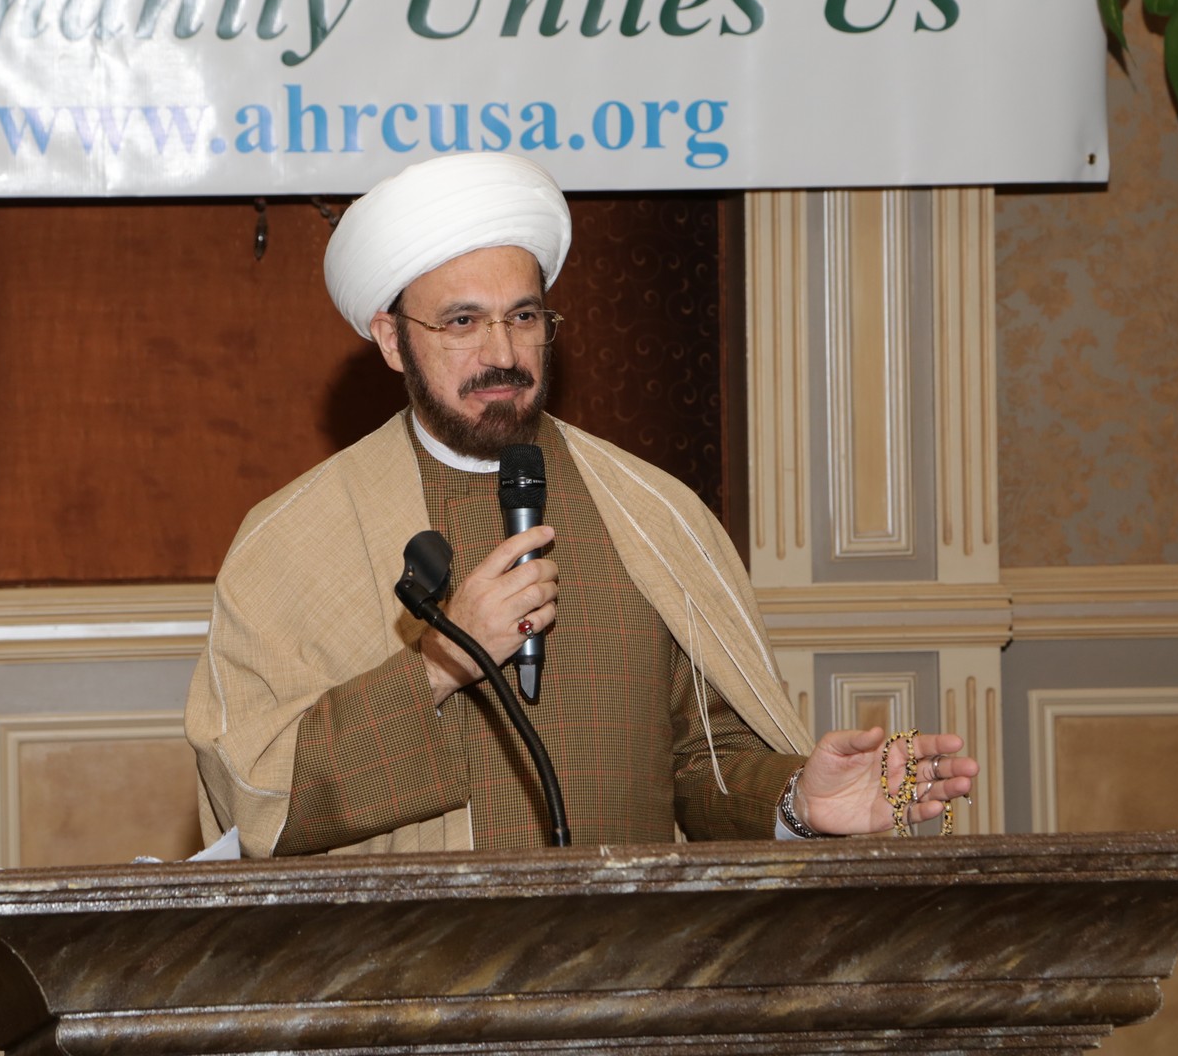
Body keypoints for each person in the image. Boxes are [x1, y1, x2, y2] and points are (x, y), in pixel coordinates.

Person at [185, 153, 976, 857]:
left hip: (629, 964)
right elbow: (259, 796)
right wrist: (441, 664)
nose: (502, 353)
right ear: (392, 340)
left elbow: (702, 765)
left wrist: (799, 803)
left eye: (524, 317)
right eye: (462, 321)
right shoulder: (293, 539)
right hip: (410, 970)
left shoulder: (652, 515)